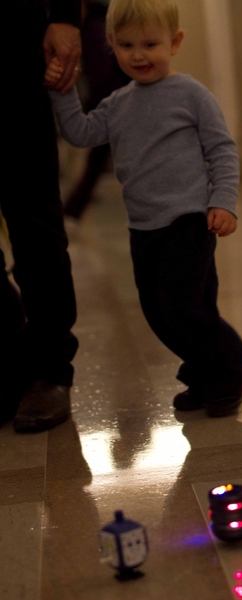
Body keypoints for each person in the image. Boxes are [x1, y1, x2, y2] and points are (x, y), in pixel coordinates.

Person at [45, 0, 242, 418]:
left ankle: (233, 367)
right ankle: (204, 374)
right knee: (159, 310)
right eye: (126, 45)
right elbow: (81, 133)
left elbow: (222, 150)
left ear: (174, 42)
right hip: (143, 228)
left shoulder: (191, 94)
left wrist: (222, 202)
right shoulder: (118, 103)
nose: (138, 54)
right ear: (110, 46)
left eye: (150, 44)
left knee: (183, 307)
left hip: (189, 222)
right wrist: (64, 92)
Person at [0, 0, 81, 432]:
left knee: (33, 219)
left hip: (12, 38)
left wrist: (65, 14)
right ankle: (11, 360)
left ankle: (50, 369)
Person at [63, 0, 130, 221]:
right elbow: (102, 74)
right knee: (96, 161)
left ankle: (73, 209)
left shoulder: (96, 25)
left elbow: (102, 74)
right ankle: (73, 209)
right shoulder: (96, 26)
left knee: (98, 162)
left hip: (111, 102)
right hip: (111, 103)